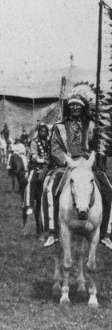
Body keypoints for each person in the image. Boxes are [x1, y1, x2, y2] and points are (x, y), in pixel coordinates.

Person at [42, 83, 112, 248]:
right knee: (50, 188)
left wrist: (94, 155)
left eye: (78, 105)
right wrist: (67, 161)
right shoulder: (59, 127)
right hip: (66, 165)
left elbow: (99, 148)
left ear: (83, 107)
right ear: (68, 107)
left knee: (109, 189)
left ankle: (105, 234)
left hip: (88, 165)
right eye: (72, 104)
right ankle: (52, 232)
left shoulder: (94, 126)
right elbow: (55, 148)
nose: (74, 107)